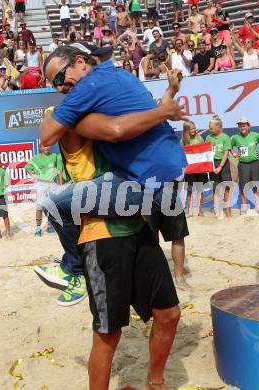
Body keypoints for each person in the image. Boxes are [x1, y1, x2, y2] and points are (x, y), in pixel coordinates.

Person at [36, 118, 180, 389]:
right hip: (101, 236)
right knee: (108, 334)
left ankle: (155, 383)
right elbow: (51, 134)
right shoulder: (72, 113)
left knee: (169, 315)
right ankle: (74, 270)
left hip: (138, 227)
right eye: (58, 79)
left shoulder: (115, 110)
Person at [39, 46, 187, 304]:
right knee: (164, 309)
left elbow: (47, 137)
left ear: (79, 62)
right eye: (55, 85)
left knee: (54, 205)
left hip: (145, 184)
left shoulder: (87, 89)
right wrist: (167, 101)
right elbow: (136, 118)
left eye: (61, 78)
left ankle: (74, 271)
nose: (61, 88)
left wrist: (71, 119)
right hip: (159, 176)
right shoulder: (121, 75)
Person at [25, 144, 62, 236]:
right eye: (44, 146)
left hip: (52, 184)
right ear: (40, 148)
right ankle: (38, 228)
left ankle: (50, 226)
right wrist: (32, 174)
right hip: (41, 184)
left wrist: (61, 185)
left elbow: (59, 171)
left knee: (51, 207)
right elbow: (27, 167)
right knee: (39, 207)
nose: (46, 148)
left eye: (48, 146)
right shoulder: (36, 158)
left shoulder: (54, 156)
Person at [231, 118, 259, 215]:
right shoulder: (235, 137)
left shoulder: (255, 135)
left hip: (255, 164)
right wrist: (234, 153)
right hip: (243, 165)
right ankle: (244, 207)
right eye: (240, 126)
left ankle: (258, 206)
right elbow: (228, 145)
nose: (242, 127)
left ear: (248, 126)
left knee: (257, 186)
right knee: (243, 187)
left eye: (244, 125)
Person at [206, 115, 232, 218]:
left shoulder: (225, 137)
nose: (210, 129)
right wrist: (211, 166)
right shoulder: (208, 137)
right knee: (216, 188)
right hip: (213, 164)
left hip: (223, 164)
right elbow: (206, 153)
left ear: (218, 127)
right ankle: (217, 211)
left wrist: (220, 166)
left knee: (227, 187)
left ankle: (228, 209)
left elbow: (226, 153)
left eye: (211, 128)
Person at [181, 120, 206, 217]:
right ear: (186, 130)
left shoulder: (199, 138)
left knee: (200, 189)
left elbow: (204, 152)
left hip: (200, 168)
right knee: (189, 190)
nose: (194, 130)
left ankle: (200, 210)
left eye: (194, 128)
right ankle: (190, 211)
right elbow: (181, 154)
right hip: (190, 169)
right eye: (191, 129)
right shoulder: (183, 141)